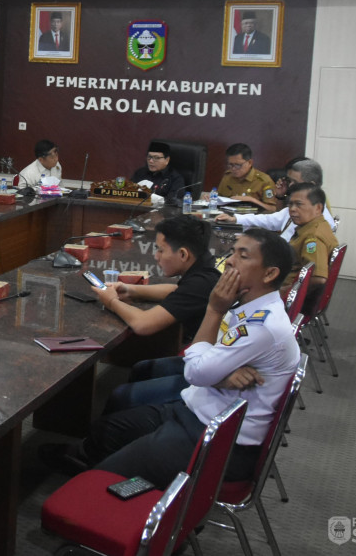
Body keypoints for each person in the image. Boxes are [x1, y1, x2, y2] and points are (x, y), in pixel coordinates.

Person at [62, 229, 300, 488]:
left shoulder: (261, 324)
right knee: (108, 429)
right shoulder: (247, 301)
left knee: (101, 481)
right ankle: (89, 465)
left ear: (269, 273)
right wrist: (220, 375)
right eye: (232, 252)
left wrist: (213, 310)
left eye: (243, 256)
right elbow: (208, 359)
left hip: (218, 438)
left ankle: (101, 485)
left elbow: (196, 372)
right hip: (201, 407)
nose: (230, 260)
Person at [91, 217, 221, 346]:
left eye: (161, 250)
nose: (156, 256)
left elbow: (143, 324)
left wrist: (111, 301)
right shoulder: (205, 270)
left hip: (200, 357)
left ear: (183, 254)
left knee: (144, 366)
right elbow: (177, 290)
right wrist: (131, 290)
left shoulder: (200, 283)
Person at [216, 157, 336, 239]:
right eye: (290, 181)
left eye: (294, 182)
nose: (290, 186)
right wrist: (235, 219)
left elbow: (288, 247)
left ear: (312, 185)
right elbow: (271, 220)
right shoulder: (301, 207)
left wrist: (257, 242)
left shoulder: (315, 219)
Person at [281, 182, 338, 316]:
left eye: (299, 204)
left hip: (291, 299)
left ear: (318, 208)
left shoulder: (313, 238)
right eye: (290, 204)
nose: (292, 209)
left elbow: (318, 278)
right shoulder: (316, 225)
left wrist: (287, 292)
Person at [217, 143, 278, 211]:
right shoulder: (228, 176)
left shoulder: (264, 181)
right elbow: (219, 200)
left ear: (250, 162)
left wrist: (252, 200)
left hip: (252, 219)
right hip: (228, 217)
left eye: (238, 165)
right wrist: (211, 198)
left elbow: (272, 209)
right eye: (230, 165)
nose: (233, 169)